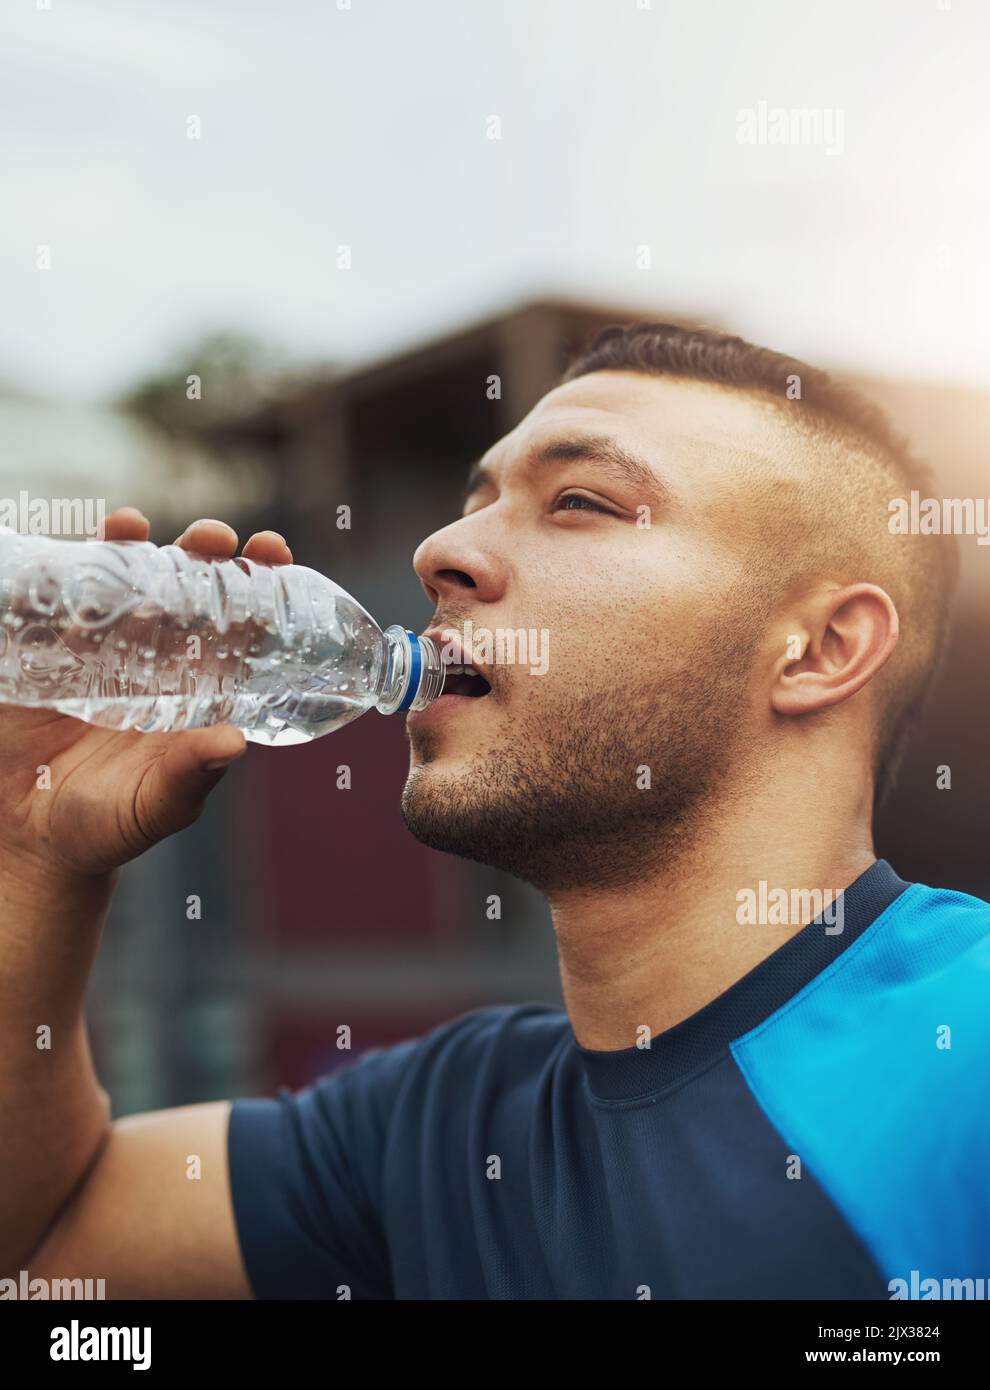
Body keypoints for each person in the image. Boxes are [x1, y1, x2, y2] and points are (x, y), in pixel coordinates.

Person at [1, 324, 985, 1301]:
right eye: (474, 502)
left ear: (820, 647)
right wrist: (31, 847)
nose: (443, 550)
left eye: (582, 502)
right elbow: (43, 1250)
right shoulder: (439, 1127)